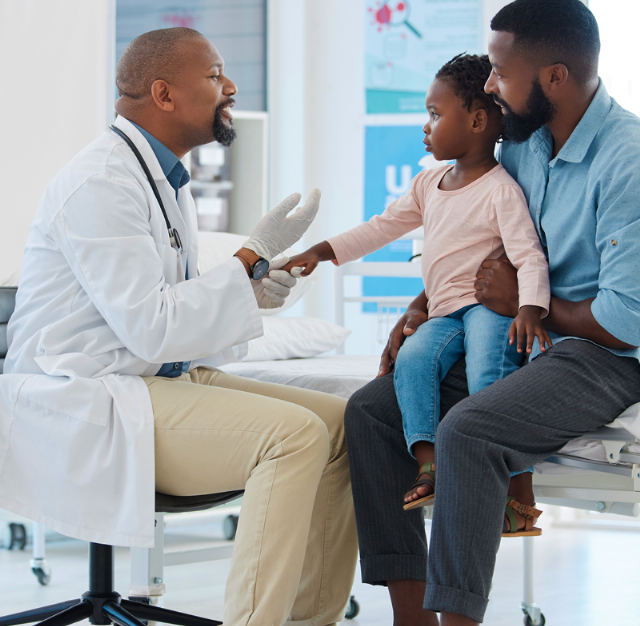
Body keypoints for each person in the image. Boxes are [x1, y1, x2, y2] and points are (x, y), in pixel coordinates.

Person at [0, 28, 357, 626]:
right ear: (163, 94)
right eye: (216, 75)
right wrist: (248, 259)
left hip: (146, 378)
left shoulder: (160, 178)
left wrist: (252, 293)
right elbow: (149, 326)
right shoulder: (101, 182)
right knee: (294, 437)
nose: (232, 87)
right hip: (87, 395)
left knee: (341, 424)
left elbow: (166, 306)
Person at [316, 0, 640, 623]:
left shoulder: (625, 159)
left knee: (469, 428)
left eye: (499, 71)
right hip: (513, 334)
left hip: (599, 353)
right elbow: (470, 240)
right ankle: (412, 617)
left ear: (552, 78)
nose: (490, 87)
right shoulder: (524, 144)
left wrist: (533, 311)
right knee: (371, 414)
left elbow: (628, 319)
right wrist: (421, 310)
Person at [285, 54, 550, 536]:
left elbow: (528, 255)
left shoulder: (501, 190)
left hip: (487, 308)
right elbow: (380, 228)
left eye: (434, 114)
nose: (425, 127)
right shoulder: (429, 184)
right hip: (445, 312)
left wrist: (530, 308)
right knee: (413, 361)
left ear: (476, 120)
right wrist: (321, 252)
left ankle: (516, 489)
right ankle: (428, 465)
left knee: (490, 373)